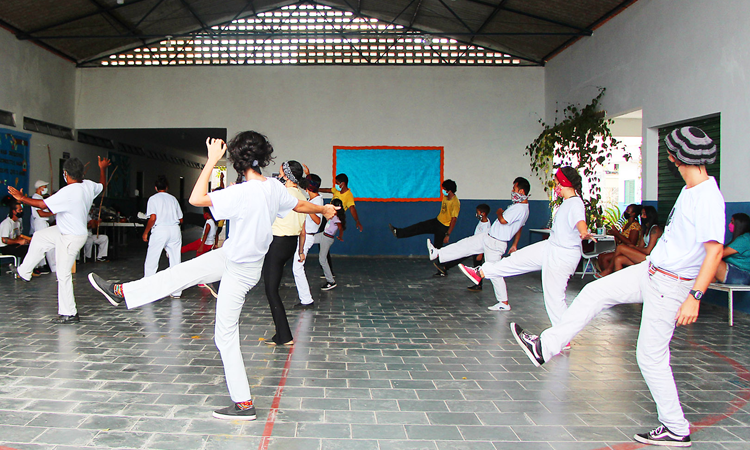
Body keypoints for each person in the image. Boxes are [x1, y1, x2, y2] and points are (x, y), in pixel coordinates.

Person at [88, 132, 336, 421]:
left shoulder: (240, 192)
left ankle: (244, 404)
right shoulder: (271, 187)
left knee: (225, 334)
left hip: (239, 270)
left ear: (237, 160)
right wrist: (323, 207)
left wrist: (211, 161)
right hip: (233, 258)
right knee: (179, 273)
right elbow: (299, 205)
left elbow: (195, 198)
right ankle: (123, 292)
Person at [510, 126, 724, 447]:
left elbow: (714, 251)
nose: (667, 156)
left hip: (671, 285)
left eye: (670, 151)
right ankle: (546, 346)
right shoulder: (689, 190)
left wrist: (694, 297)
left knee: (650, 357)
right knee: (593, 292)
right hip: (650, 272)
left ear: (680, 157)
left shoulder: (708, 197)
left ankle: (676, 427)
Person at [459, 167, 589, 324]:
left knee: (554, 298)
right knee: (516, 259)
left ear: (564, 183)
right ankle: (481, 273)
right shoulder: (566, 203)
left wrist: (583, 232)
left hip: (562, 255)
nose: (555, 187)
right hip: (551, 246)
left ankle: (562, 335)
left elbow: (580, 221)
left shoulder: (575, 203)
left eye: (556, 183)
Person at [10, 156, 111, 323]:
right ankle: (24, 272)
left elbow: (42, 205)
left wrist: (22, 199)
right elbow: (102, 185)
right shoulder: (88, 185)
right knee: (40, 236)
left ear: (66, 174)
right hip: (68, 231)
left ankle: (69, 313)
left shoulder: (68, 191)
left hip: (70, 237)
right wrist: (102, 168)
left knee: (63, 274)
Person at [434, 179, 531, 307]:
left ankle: (503, 301)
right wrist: (515, 244)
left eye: (514, 188)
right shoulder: (521, 207)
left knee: (495, 272)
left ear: (521, 191)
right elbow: (519, 227)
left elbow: (503, 220)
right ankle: (438, 253)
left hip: (496, 242)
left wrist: (499, 211)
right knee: (466, 244)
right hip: (490, 237)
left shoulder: (519, 208)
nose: (512, 191)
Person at [262, 160, 308, 346]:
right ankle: (282, 334)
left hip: (277, 243)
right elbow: (303, 229)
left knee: (271, 290)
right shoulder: (302, 195)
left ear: (287, 175)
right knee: (272, 288)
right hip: (291, 243)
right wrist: (301, 250)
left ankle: (284, 335)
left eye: (281, 172)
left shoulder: (283, 194)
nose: (279, 175)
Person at [390, 179, 460, 277]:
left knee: (437, 249)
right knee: (420, 226)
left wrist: (448, 234)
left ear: (449, 190)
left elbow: (454, 220)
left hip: (443, 227)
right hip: (437, 221)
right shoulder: (445, 197)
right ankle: (399, 233)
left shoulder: (455, 203)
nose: (442, 190)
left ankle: (443, 269)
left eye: (444, 189)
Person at [143, 175, 183, 297]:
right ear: (167, 187)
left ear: (155, 187)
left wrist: (146, 232)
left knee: (152, 260)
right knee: (175, 260)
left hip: (160, 230)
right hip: (174, 229)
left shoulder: (153, 199)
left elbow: (153, 218)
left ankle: (149, 290)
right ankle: (176, 291)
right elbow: (180, 219)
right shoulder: (173, 199)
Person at [597, 205, 662, 277]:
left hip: (651, 258)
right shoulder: (646, 230)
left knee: (621, 248)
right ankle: (618, 283)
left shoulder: (655, 229)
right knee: (618, 259)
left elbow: (648, 251)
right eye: (641, 214)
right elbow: (641, 246)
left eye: (644, 214)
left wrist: (632, 247)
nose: (641, 216)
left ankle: (609, 270)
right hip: (644, 256)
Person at [430, 203, 491, 280]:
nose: (477, 214)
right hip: (474, 246)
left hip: (478, 249)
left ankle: (478, 284)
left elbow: (485, 240)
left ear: (483, 213)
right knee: (461, 256)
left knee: (477, 266)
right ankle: (445, 266)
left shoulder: (486, 226)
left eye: (478, 212)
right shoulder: (482, 222)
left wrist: (481, 254)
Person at [292, 173, 323, 309]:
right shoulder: (312, 199)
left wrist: (308, 209)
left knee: (297, 267)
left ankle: (306, 299)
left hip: (308, 236)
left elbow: (318, 221)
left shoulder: (317, 201)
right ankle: (305, 298)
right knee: (297, 267)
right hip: (303, 235)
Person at [596, 203, 641, 271]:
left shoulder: (635, 226)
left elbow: (631, 243)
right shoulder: (626, 225)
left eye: (628, 211)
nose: (625, 212)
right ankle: (607, 276)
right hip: (620, 250)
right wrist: (615, 233)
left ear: (633, 214)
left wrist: (617, 234)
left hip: (628, 252)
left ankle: (609, 274)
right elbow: (619, 241)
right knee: (600, 256)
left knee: (605, 258)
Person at [317, 198, 346, 291]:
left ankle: (331, 281)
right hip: (323, 235)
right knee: (307, 239)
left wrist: (340, 236)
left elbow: (341, 227)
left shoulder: (336, 218)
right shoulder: (333, 215)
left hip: (327, 239)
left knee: (322, 259)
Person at [714, 212, 750, 285]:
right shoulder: (735, 238)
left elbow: (720, 254)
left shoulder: (744, 239)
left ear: (739, 225)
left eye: (732, 222)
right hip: (732, 272)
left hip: (741, 276)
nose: (729, 224)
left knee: (710, 260)